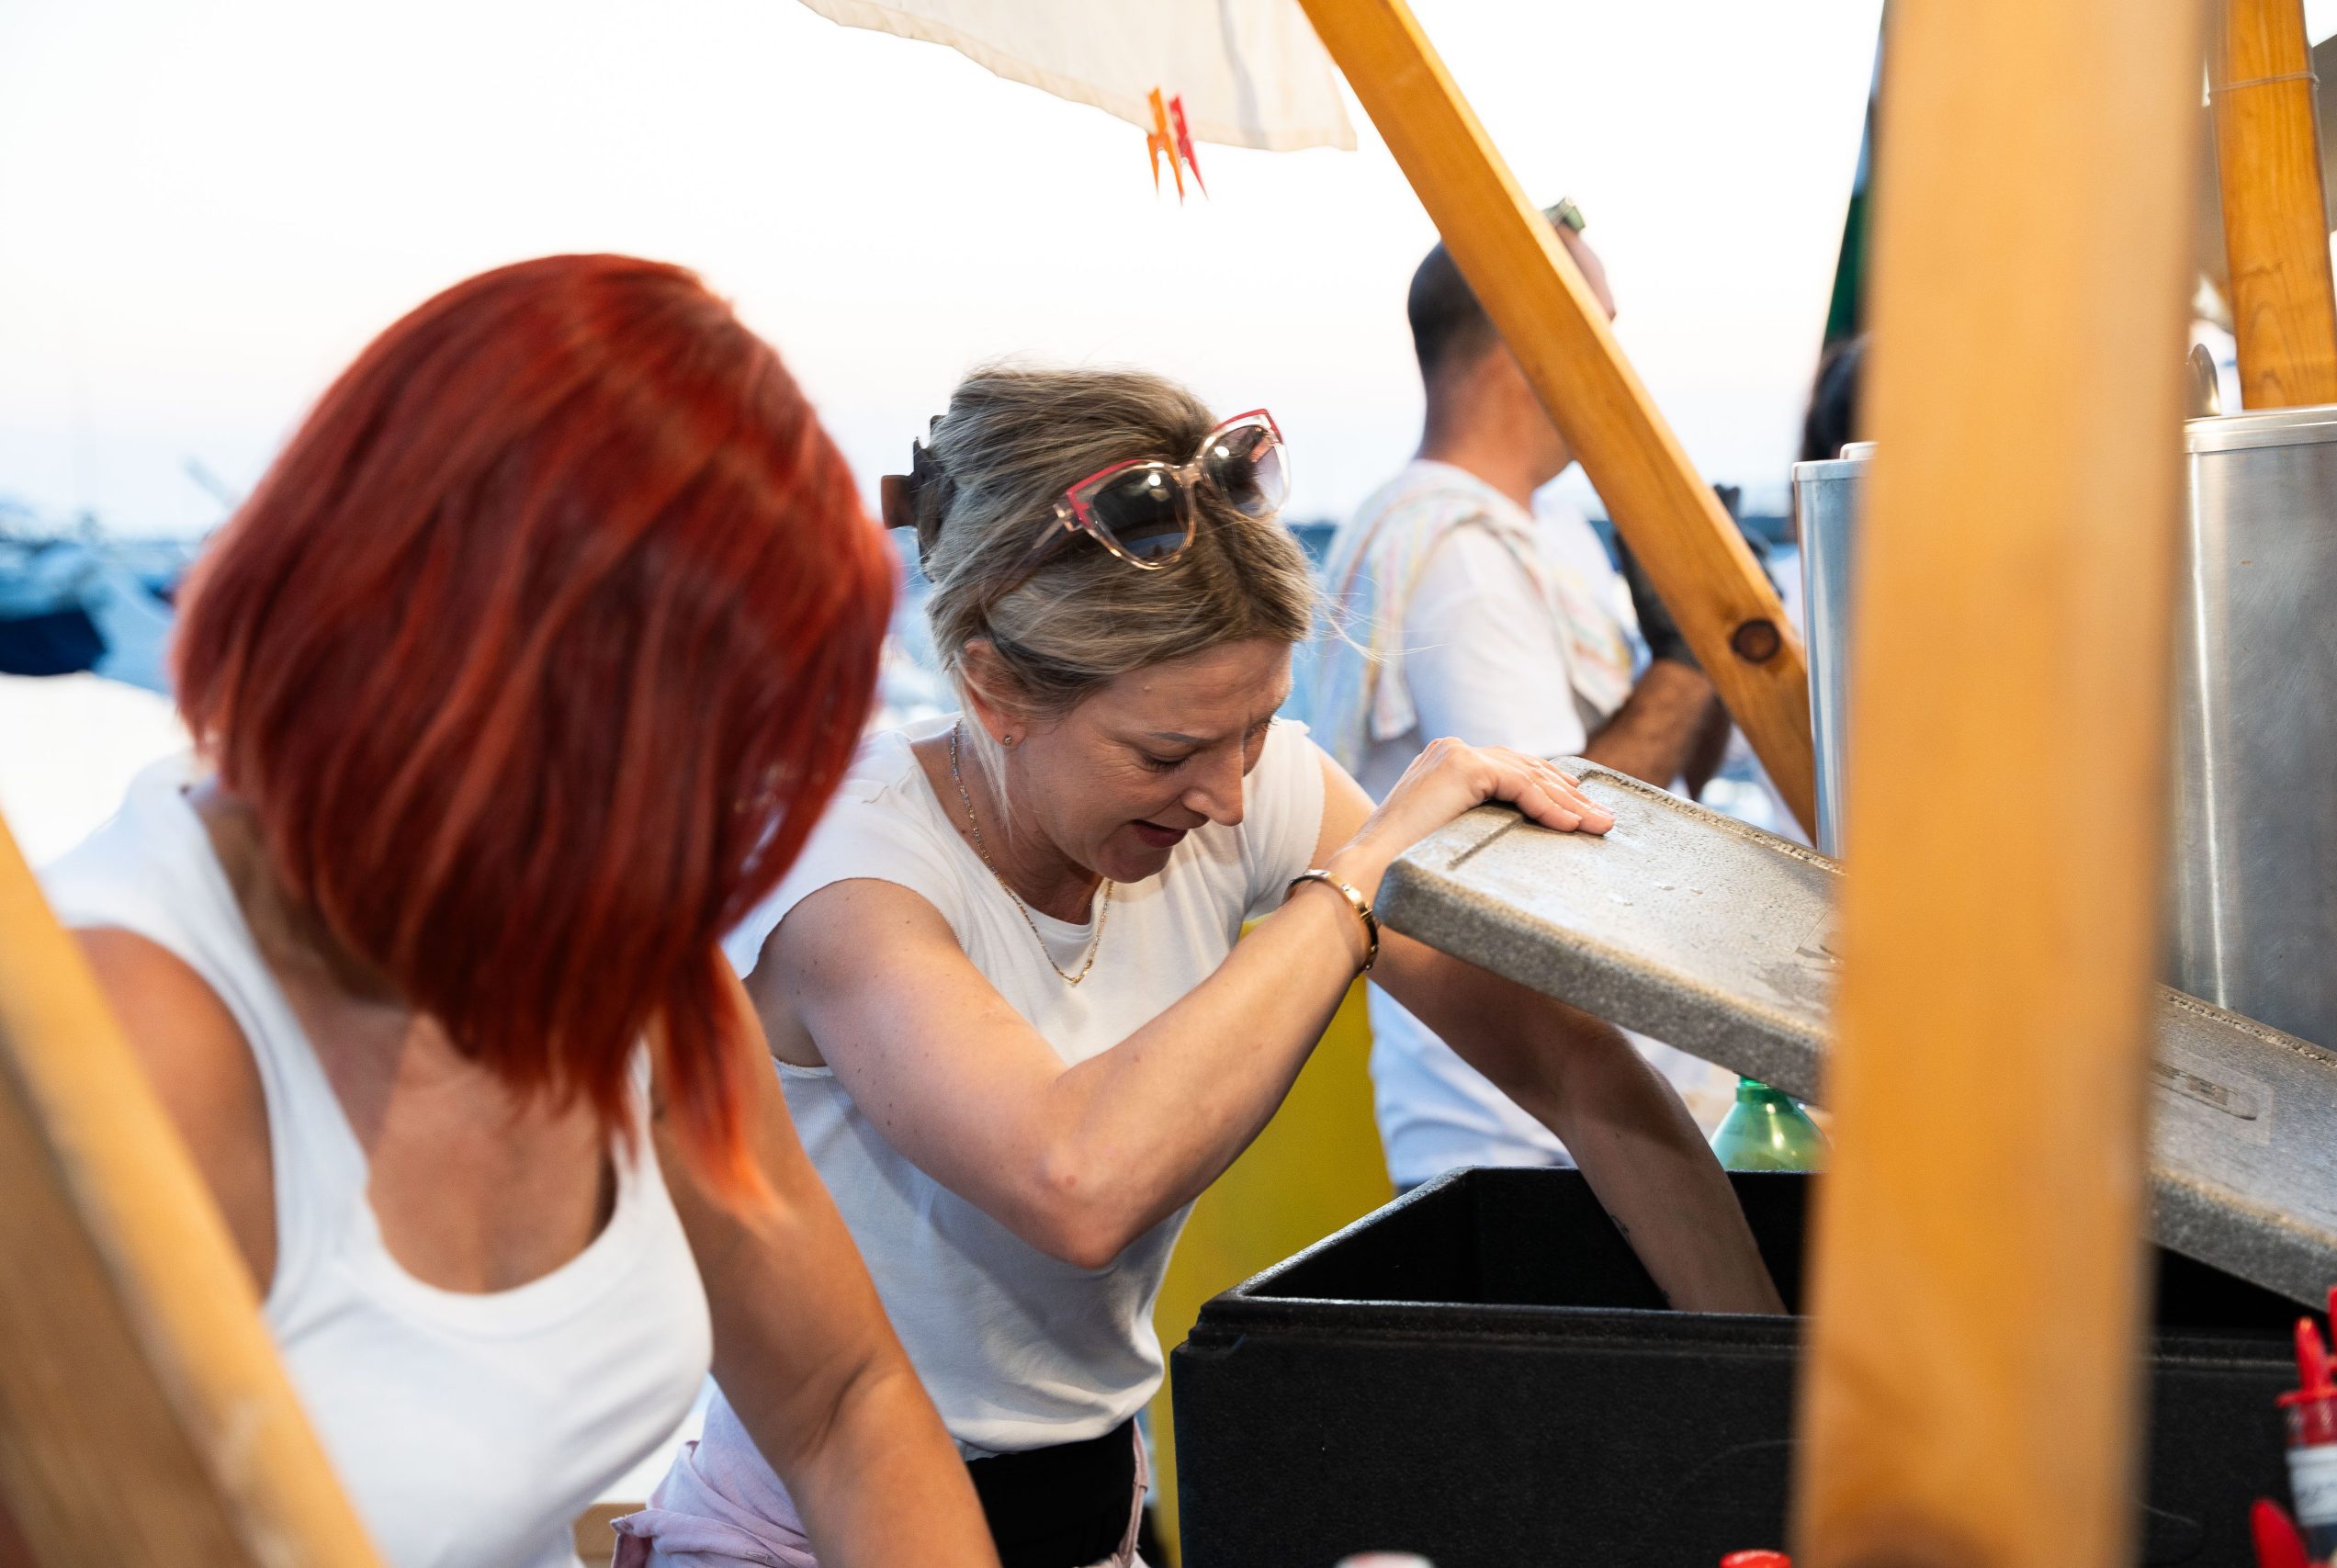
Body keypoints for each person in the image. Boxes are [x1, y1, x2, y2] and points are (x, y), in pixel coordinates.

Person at [623, 365, 1784, 1568]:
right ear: (993, 687)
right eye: (1166, 750)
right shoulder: (851, 877)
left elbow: (1573, 1067)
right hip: (806, 1538)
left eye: (1258, 726)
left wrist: (1768, 1402)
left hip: (1095, 1508)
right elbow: (1076, 1184)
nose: (1227, 794)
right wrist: (1358, 881)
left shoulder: (1239, 786)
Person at [40, 256, 997, 1568]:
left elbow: (845, 1404)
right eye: (668, 765)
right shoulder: (138, 1042)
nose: (709, 837)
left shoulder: (621, 956)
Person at [1304, 210, 1743, 1193]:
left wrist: (1712, 648)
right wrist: (1684, 659)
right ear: (1524, 342)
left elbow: (1680, 779)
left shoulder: (1549, 533)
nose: (1621, 372)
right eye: (1600, 335)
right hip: (1519, 1138)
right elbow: (1542, 845)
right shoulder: (1458, 555)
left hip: (1603, 1117)